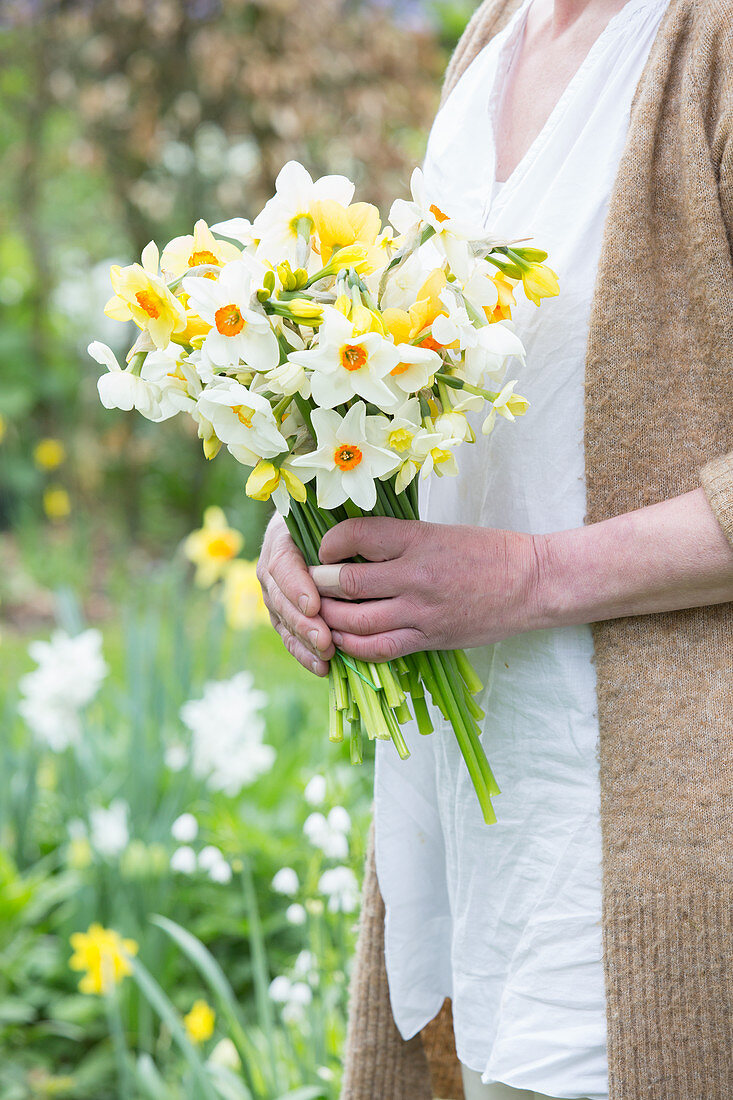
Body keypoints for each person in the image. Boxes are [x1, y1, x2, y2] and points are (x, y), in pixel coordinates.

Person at [256, 1, 733, 1097]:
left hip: (654, 848)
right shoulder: (490, 39)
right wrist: (314, 506)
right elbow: (450, 391)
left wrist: (527, 575)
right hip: (475, 826)